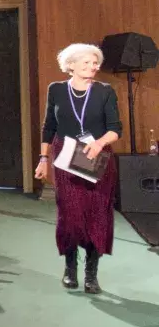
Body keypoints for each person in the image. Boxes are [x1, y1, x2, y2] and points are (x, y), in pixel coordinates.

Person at [36, 43, 121, 294]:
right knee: (70, 215)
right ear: (70, 65)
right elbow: (49, 127)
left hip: (97, 155)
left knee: (97, 215)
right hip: (66, 156)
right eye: (86, 62)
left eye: (95, 63)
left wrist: (100, 143)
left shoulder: (105, 91)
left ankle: (91, 275)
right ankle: (70, 269)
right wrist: (43, 159)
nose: (93, 67)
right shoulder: (56, 89)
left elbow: (115, 129)